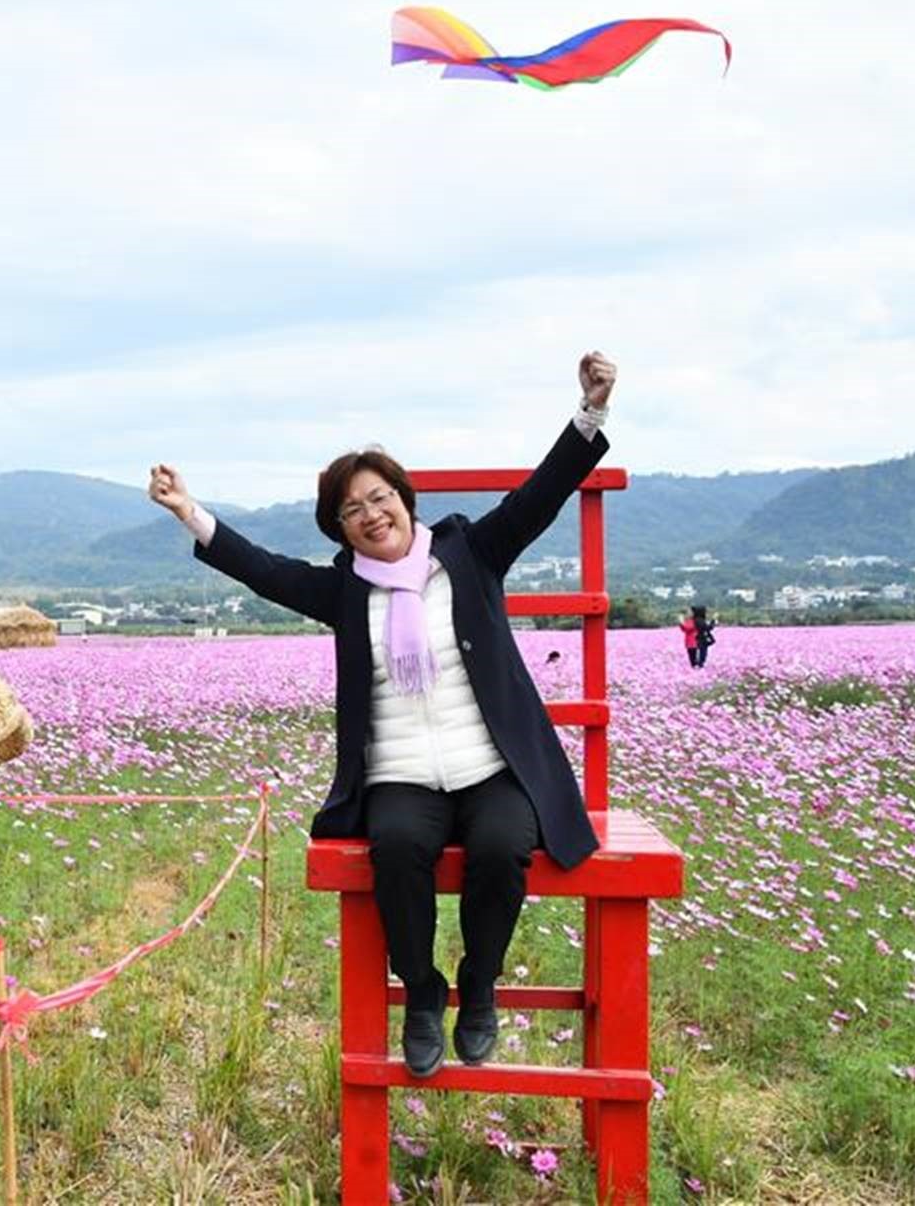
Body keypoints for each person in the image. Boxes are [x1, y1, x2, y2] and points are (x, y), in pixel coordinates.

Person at [148, 352, 616, 1079]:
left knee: (501, 847)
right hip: (401, 773)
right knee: (394, 848)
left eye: (379, 497)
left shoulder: (471, 553)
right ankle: (422, 991)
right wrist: (189, 510)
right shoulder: (343, 591)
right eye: (351, 510)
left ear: (404, 498)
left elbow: (541, 495)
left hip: (489, 768)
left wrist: (590, 410)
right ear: (340, 529)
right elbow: (262, 568)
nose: (371, 515)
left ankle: (480, 983)